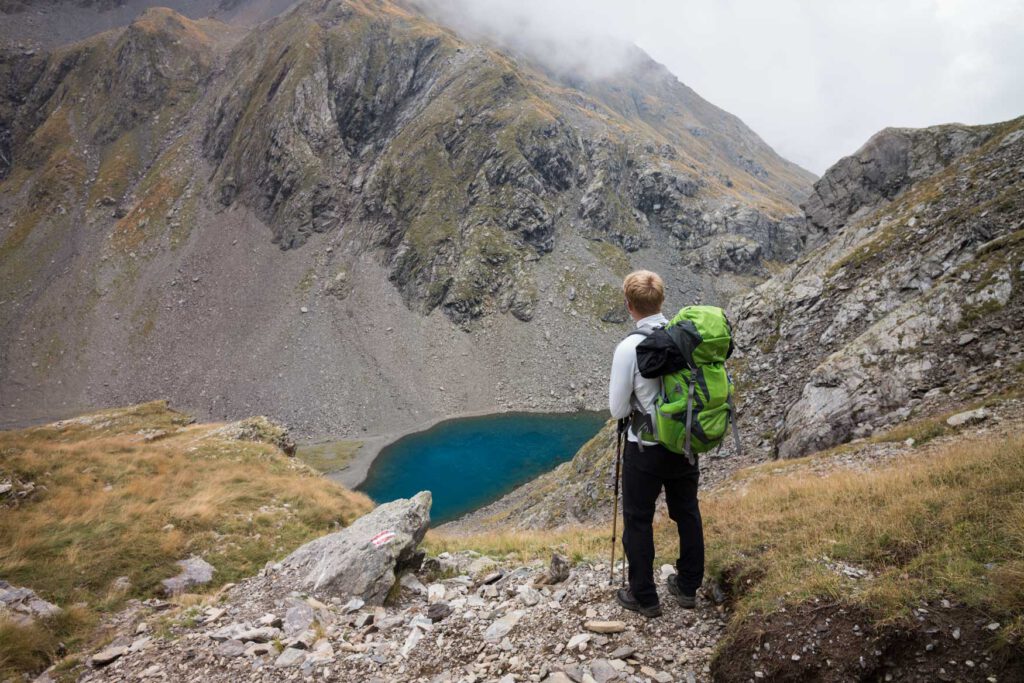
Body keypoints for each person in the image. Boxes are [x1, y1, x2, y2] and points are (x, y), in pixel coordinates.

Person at [608, 270, 704, 618]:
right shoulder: (688, 336)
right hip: (684, 442)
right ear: (661, 300)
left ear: (629, 304)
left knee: (638, 519)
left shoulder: (629, 347)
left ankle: (645, 597)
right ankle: (689, 586)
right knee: (687, 511)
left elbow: (617, 408)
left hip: (645, 448)